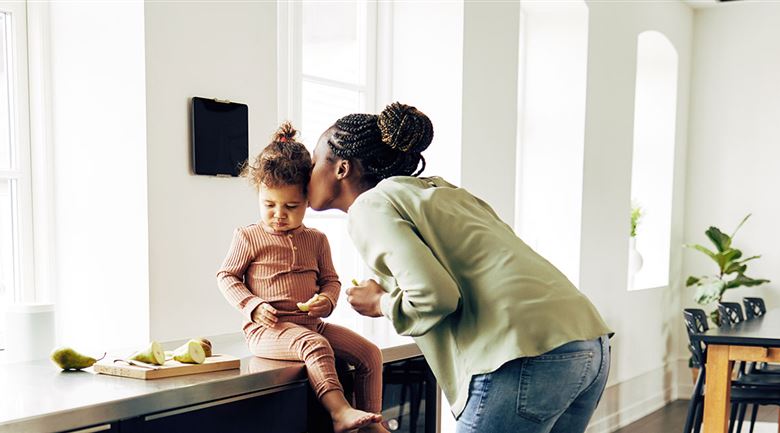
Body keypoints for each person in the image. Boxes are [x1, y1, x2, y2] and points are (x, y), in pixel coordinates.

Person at [307, 103, 614, 433]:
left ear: (342, 168)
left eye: (313, 162)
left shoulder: (369, 206)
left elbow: (436, 296)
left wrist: (379, 302)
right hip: (587, 340)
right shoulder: (439, 189)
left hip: (523, 356)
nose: (307, 173)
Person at [216, 122, 387, 433]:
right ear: (259, 196)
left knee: (370, 354)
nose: (278, 214)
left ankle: (370, 422)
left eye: (291, 206)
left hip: (311, 324)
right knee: (315, 345)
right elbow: (226, 276)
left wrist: (327, 300)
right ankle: (340, 412)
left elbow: (331, 281)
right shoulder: (249, 237)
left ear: (308, 201)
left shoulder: (317, 240)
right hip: (269, 330)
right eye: (269, 205)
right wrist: (252, 305)